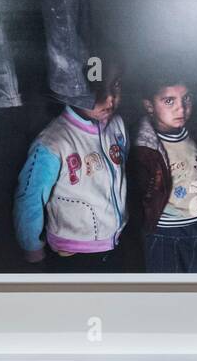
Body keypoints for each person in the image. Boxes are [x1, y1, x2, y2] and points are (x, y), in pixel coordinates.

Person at [12, 57, 129, 272]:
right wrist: (32, 248)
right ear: (72, 89)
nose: (111, 98)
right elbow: (30, 197)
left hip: (115, 242)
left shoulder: (117, 126)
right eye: (98, 89)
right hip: (73, 254)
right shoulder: (52, 143)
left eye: (116, 85)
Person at [127, 68, 197, 272]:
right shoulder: (143, 147)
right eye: (169, 101)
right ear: (149, 106)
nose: (181, 108)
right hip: (164, 232)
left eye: (186, 99)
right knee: (167, 292)